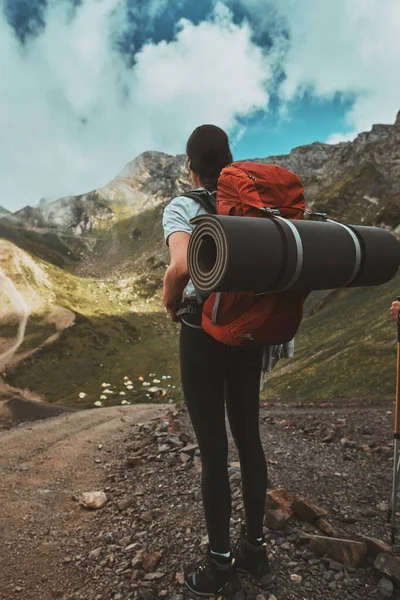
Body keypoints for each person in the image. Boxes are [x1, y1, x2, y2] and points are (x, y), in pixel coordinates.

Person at [162, 125, 272, 600]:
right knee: (248, 437)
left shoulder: (183, 205)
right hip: (248, 330)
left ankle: (220, 565)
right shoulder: (249, 204)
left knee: (212, 448)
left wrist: (170, 302)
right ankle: (255, 548)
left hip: (201, 331)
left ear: (190, 164)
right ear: (228, 160)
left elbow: (182, 268)